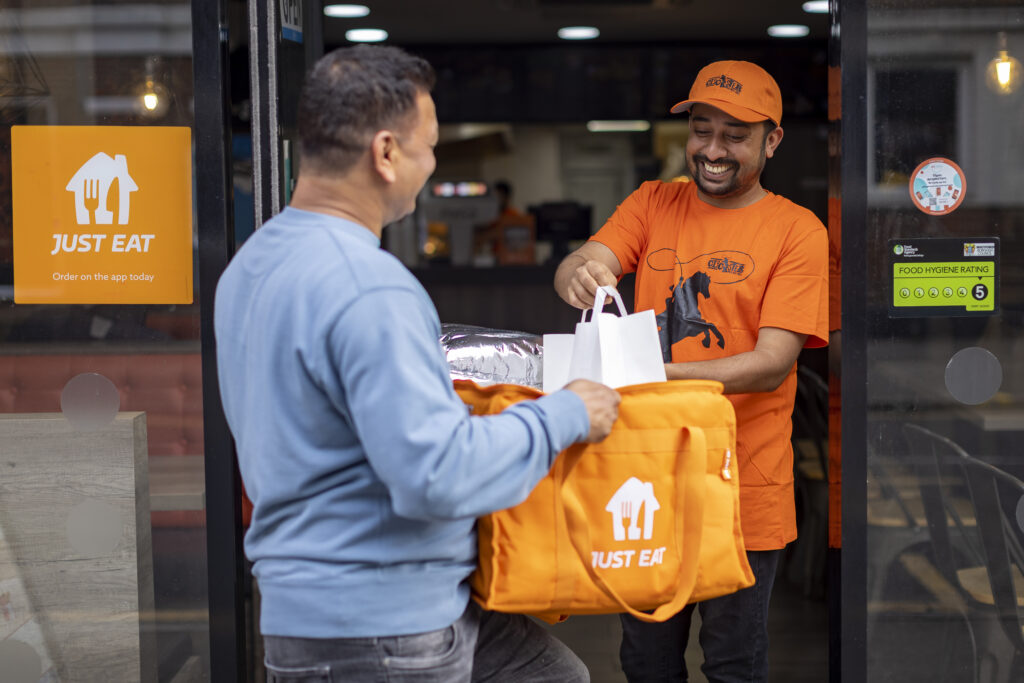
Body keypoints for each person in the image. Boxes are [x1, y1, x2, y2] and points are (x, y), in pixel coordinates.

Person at [214, 45, 621, 682]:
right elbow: (436, 473)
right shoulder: (370, 286)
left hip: (316, 611)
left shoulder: (250, 266)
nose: (432, 165)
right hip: (384, 625)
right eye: (429, 146)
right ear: (384, 153)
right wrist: (567, 412)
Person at [554, 59, 829, 682]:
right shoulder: (654, 201)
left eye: (735, 135)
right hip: (648, 483)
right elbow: (586, 258)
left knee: (734, 663)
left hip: (745, 486)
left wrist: (639, 371)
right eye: (702, 130)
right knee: (646, 662)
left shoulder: (796, 231)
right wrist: (577, 271)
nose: (713, 149)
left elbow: (771, 364)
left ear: (772, 141)